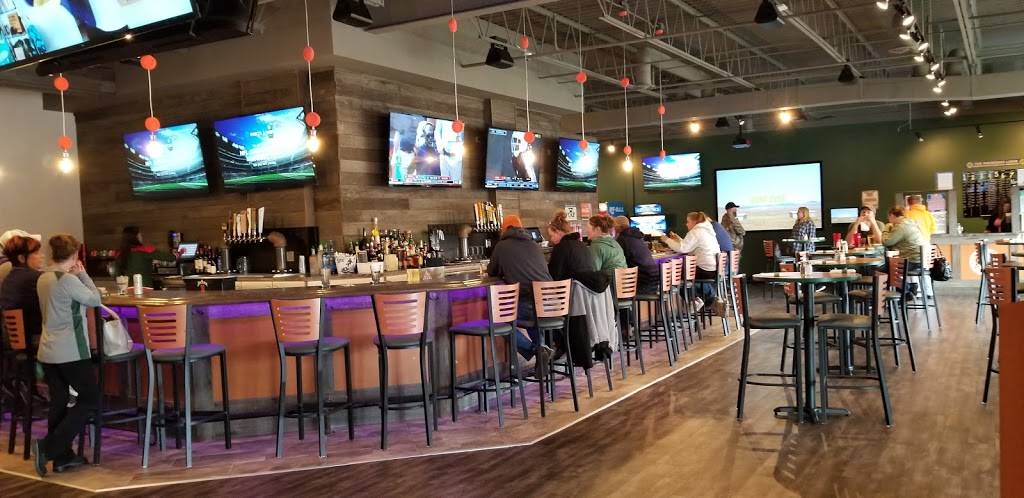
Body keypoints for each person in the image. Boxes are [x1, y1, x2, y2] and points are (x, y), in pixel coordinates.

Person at [32, 234, 102, 477]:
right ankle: (48, 448)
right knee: (90, 399)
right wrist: (83, 275)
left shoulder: (43, 278)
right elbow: (95, 299)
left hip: (48, 350)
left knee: (59, 401)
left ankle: (63, 458)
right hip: (71, 349)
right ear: (74, 255)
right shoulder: (68, 280)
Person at [487, 215, 553, 361]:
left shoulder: (501, 246)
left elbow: (492, 271)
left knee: (498, 320)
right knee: (533, 318)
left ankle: (534, 350)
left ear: (504, 229)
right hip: (550, 304)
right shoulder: (533, 244)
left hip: (529, 302)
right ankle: (541, 353)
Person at [661, 212, 721, 300]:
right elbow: (690, 247)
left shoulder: (696, 231)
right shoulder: (706, 230)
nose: (686, 224)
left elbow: (683, 248)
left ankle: (697, 300)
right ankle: (699, 300)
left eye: (688, 221)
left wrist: (667, 240)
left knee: (672, 274)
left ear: (694, 222)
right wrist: (678, 239)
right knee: (681, 276)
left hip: (704, 270)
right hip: (712, 269)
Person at [0, 235, 46, 347]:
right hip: (34, 339)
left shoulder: (8, 279)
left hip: (13, 341)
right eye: (36, 253)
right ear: (21, 258)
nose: (42, 256)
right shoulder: (36, 277)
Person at [613, 216, 659, 293]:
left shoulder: (622, 239)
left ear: (618, 227)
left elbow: (618, 262)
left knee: (612, 288)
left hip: (641, 284)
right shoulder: (637, 237)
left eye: (614, 226)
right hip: (654, 282)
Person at [547, 211, 594, 281]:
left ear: (558, 232)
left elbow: (554, 275)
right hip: (586, 285)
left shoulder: (560, 247)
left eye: (551, 236)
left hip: (572, 286)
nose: (551, 239)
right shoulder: (582, 244)